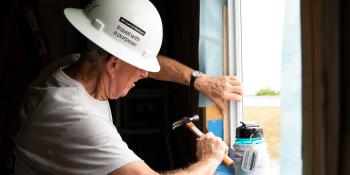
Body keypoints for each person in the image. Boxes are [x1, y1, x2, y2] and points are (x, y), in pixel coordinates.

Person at [13, 0, 243, 174]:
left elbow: (153, 66)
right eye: (140, 66)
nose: (145, 74)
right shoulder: (77, 118)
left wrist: (198, 80)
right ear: (113, 63)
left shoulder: (74, 65)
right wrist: (210, 159)